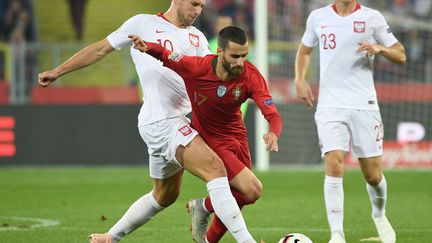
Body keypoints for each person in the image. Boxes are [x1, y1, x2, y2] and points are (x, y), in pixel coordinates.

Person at [38, 1, 258, 243]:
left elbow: (210, 75)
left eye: (202, 6)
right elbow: (100, 49)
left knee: (164, 196)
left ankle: (109, 237)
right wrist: (58, 71)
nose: (197, 11)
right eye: (194, 4)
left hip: (183, 121)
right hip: (162, 120)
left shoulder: (197, 37)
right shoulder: (142, 23)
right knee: (214, 169)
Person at [129, 25, 283, 243]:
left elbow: (273, 115)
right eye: (235, 56)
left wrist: (273, 133)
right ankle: (207, 211)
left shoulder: (251, 75)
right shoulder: (197, 68)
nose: (241, 62)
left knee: (237, 196)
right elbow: (168, 55)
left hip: (237, 137)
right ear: (219, 52)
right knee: (252, 190)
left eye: (245, 55)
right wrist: (147, 47)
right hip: (210, 140)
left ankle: (204, 215)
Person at [294, 1, 406, 243]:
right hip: (330, 106)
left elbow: (401, 54)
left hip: (363, 105)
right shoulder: (317, 17)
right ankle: (337, 234)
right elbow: (304, 50)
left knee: (373, 176)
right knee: (334, 164)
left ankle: (379, 215)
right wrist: (300, 79)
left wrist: (380, 48)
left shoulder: (372, 17)